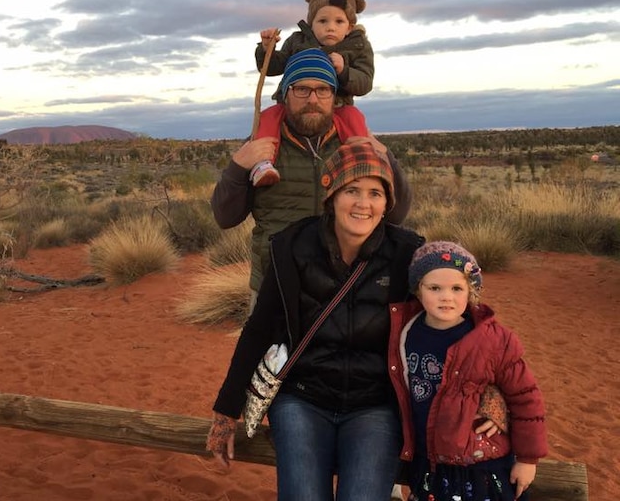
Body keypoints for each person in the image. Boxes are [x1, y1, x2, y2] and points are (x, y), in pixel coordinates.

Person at [206, 140, 425, 501]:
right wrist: (225, 411)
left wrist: (488, 394)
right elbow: (259, 330)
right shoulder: (292, 246)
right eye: (352, 189)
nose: (363, 203)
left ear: (388, 203)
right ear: (332, 194)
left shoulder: (407, 254)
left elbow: (453, 323)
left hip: (375, 405)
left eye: (375, 193)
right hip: (302, 399)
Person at [211, 48, 412, 307]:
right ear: (286, 93)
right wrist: (238, 166)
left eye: (323, 89)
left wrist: (387, 158)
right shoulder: (262, 148)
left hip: (344, 287)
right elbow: (225, 217)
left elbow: (397, 215)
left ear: (334, 96)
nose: (313, 99)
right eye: (302, 89)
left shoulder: (355, 146)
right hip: (276, 288)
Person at [388, 242, 548, 501]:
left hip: (482, 464)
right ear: (418, 290)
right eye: (435, 288)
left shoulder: (492, 340)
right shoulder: (405, 334)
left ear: (470, 291)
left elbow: (525, 397)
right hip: (429, 463)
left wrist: (528, 458)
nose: (446, 297)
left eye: (457, 288)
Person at [250, 0, 374, 187]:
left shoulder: (358, 46)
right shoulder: (297, 40)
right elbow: (273, 67)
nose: (330, 27)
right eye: (322, 21)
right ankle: (262, 164)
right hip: (291, 103)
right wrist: (266, 49)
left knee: (355, 119)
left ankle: (361, 164)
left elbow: (365, 82)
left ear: (350, 27)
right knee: (269, 117)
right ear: (311, 22)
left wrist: (344, 71)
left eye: (339, 21)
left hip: (338, 105)